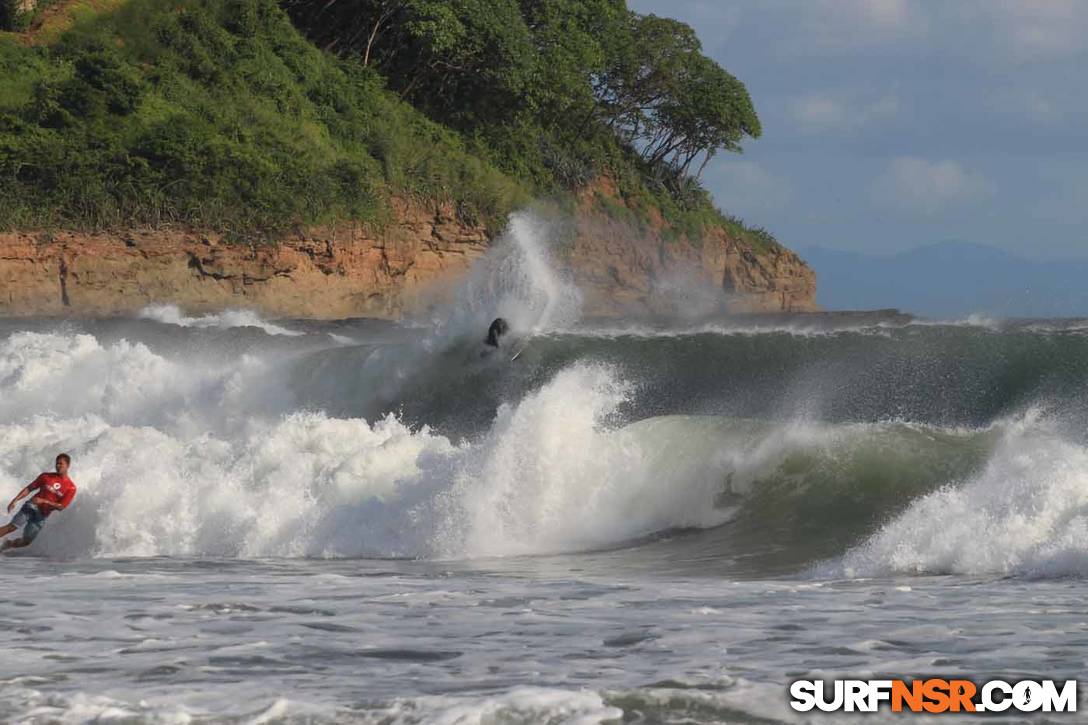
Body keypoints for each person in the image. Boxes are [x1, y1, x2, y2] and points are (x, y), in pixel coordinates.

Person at [0, 454, 77, 552]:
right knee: (12, 527)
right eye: (57, 463)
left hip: (42, 515)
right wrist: (15, 500)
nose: (58, 466)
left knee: (26, 542)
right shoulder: (46, 476)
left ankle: (7, 544)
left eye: (61, 464)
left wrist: (44, 501)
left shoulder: (71, 487)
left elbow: (61, 507)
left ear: (68, 465)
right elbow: (29, 488)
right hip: (31, 506)